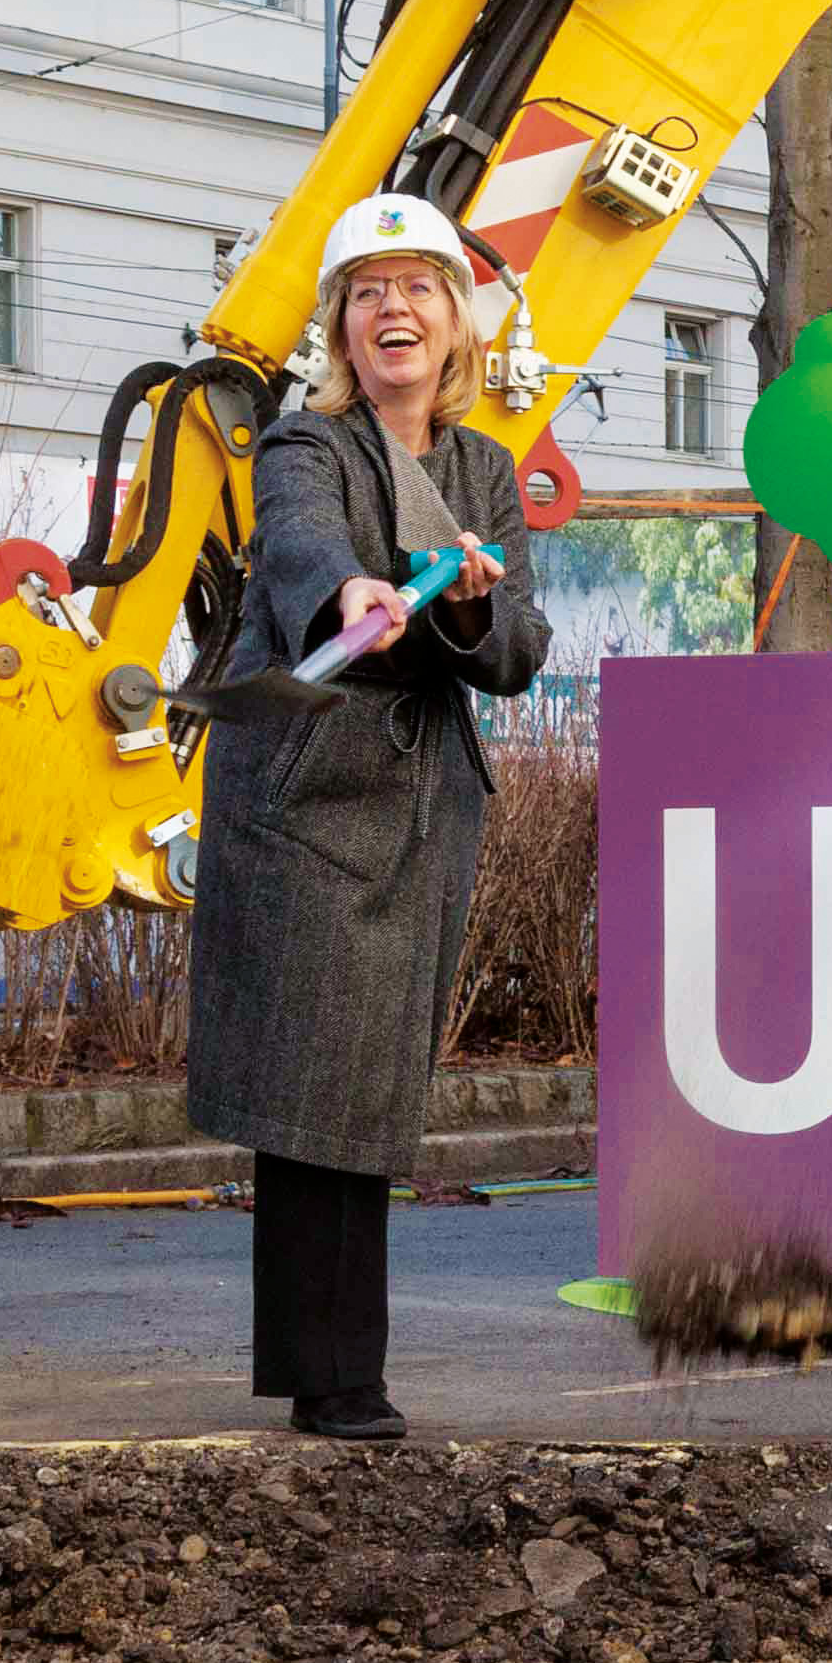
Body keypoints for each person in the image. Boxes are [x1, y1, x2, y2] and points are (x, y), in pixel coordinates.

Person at [184, 194, 550, 1440]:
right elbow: (301, 547)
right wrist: (354, 587)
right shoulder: (305, 442)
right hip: (309, 803)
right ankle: (337, 1375)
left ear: (458, 323)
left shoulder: (483, 470)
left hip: (416, 812)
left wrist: (457, 608)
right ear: (341, 326)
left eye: (420, 287)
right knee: (319, 1086)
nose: (395, 308)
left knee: (357, 1084)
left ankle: (326, 1364)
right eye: (369, 290)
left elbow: (515, 648)